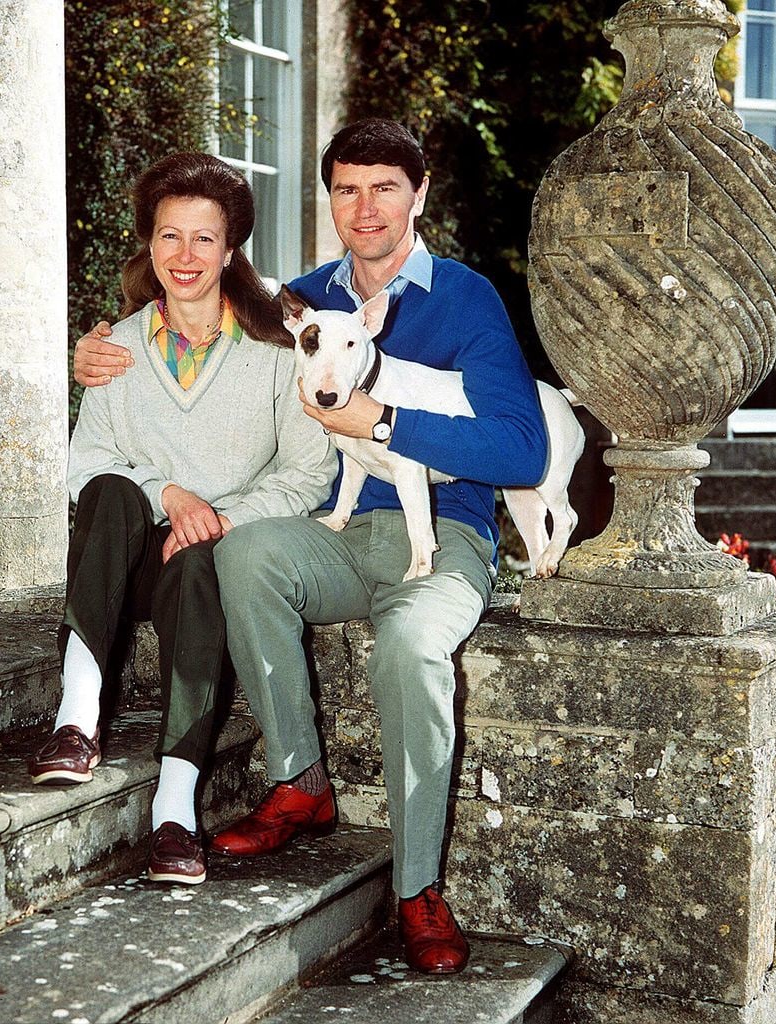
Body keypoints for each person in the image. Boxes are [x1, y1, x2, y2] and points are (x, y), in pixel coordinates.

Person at [73, 120, 547, 974]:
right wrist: (96, 350)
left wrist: (391, 421)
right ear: (329, 200)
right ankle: (302, 784)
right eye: (347, 189)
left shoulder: (467, 298)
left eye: (385, 187)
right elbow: (189, 315)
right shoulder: (295, 300)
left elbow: (524, 451)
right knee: (244, 555)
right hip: (331, 532)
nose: (365, 207)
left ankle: (416, 889)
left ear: (419, 194)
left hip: (442, 532)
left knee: (409, 648)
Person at [31, 151, 335, 890]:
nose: (186, 256)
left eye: (204, 239)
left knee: (203, 560)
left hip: (198, 570)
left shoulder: (274, 352)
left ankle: (174, 810)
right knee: (107, 491)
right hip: (125, 561)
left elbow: (310, 472)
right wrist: (169, 494)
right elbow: (85, 462)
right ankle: (77, 717)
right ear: (150, 244)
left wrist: (219, 517)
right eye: (170, 237)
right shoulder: (119, 349)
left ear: (231, 250)